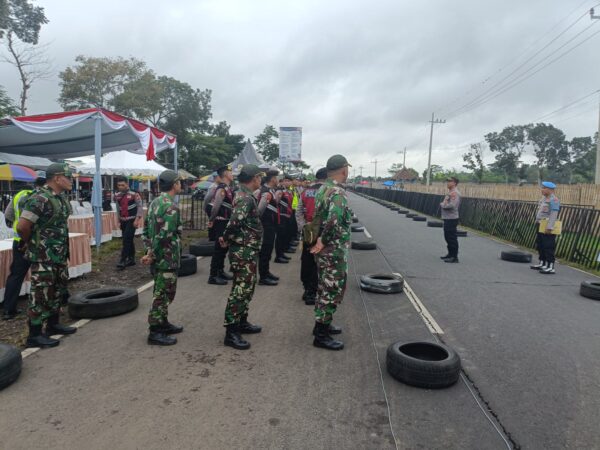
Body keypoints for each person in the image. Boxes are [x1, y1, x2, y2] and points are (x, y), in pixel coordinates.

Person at [17, 164, 76, 348]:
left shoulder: (59, 198)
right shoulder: (39, 199)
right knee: (40, 293)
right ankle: (34, 334)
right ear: (57, 178)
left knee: (57, 289)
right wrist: (30, 243)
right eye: (68, 177)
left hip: (58, 255)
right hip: (43, 256)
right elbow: (22, 226)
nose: (71, 180)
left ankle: (53, 324)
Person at [219, 164, 265, 350]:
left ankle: (242, 321)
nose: (260, 180)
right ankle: (231, 331)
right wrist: (226, 237)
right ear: (254, 178)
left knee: (247, 287)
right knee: (241, 289)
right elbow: (235, 222)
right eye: (259, 177)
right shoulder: (245, 198)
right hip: (243, 251)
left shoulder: (244, 195)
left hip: (247, 249)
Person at [310, 155, 352, 351]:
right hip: (332, 250)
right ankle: (321, 334)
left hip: (325, 250)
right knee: (331, 289)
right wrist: (323, 240)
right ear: (344, 170)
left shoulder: (323, 189)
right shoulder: (337, 192)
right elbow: (333, 220)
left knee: (323, 286)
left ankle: (323, 324)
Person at [141, 170, 184, 346]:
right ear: (174, 184)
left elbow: (146, 230)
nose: (181, 185)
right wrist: (151, 254)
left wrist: (148, 250)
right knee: (163, 294)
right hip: (166, 257)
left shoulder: (155, 202)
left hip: (159, 256)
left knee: (162, 291)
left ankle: (163, 323)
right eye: (180, 182)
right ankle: (155, 331)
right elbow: (164, 235)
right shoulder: (170, 207)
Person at [2, 173, 46, 320]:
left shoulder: (19, 195)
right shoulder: (44, 197)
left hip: (19, 240)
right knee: (44, 273)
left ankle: (9, 309)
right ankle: (44, 306)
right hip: (39, 241)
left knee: (16, 274)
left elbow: (8, 216)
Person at [296, 168, 327, 305]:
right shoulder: (328, 192)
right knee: (317, 262)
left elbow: (298, 211)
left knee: (306, 259)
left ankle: (306, 288)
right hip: (321, 231)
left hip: (307, 230)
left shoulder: (305, 191)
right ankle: (311, 292)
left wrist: (303, 227)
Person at [207, 164, 234, 285]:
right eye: (230, 172)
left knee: (224, 248)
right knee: (219, 248)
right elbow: (216, 206)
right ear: (226, 174)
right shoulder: (221, 189)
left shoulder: (228, 188)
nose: (232, 174)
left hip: (226, 221)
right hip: (221, 222)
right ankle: (213, 276)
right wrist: (211, 219)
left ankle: (220, 271)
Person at [256, 170, 280, 286]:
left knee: (269, 249)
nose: (278, 179)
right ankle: (263, 276)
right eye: (277, 177)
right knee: (265, 251)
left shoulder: (270, 191)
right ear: (273, 179)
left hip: (270, 225)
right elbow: (259, 210)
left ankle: (266, 272)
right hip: (266, 226)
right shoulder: (266, 193)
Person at [114, 176, 143, 270]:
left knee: (126, 239)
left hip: (132, 220)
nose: (120, 187)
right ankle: (131, 259)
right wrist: (118, 220)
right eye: (119, 185)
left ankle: (123, 260)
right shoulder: (117, 195)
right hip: (123, 220)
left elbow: (139, 207)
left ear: (127, 184)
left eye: (122, 185)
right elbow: (118, 208)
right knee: (128, 239)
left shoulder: (134, 194)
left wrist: (137, 220)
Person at [531, 181, 560, 274]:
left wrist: (550, 227)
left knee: (548, 246)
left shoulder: (554, 200)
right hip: (540, 224)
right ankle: (542, 263)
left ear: (550, 190)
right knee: (540, 244)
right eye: (542, 187)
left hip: (547, 226)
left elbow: (553, 214)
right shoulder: (543, 199)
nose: (542, 190)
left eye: (544, 188)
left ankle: (550, 266)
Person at [440, 177, 461, 263]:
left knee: (451, 238)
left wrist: (442, 205)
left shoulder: (455, 193)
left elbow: (452, 205)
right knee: (447, 237)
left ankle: (454, 257)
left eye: (449, 181)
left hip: (452, 218)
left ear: (455, 183)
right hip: (448, 217)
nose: (447, 183)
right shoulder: (451, 192)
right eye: (447, 181)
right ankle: (450, 254)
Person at [275, 176, 293, 263]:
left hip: (286, 215)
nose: (288, 183)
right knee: (280, 237)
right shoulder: (280, 190)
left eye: (289, 181)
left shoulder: (287, 191)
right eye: (286, 181)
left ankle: (281, 253)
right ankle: (278, 256)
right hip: (281, 216)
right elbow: (276, 203)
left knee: (284, 236)